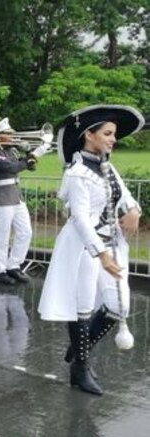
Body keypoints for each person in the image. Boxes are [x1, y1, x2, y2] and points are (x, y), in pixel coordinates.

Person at [38, 105, 143, 396]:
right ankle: (80, 368)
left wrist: (134, 210)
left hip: (111, 243)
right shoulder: (77, 173)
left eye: (114, 134)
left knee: (118, 306)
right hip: (85, 247)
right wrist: (102, 254)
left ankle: (77, 350)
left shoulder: (107, 165)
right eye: (107, 134)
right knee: (82, 308)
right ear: (89, 134)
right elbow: (80, 219)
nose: (113, 139)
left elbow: (126, 196)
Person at [0, 118, 51, 285]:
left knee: (25, 231)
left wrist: (35, 153)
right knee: (2, 235)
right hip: (2, 197)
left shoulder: (13, 152)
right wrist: (30, 158)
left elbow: (30, 167)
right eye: (9, 135)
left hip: (16, 196)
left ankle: (13, 265)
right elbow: (12, 168)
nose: (12, 137)